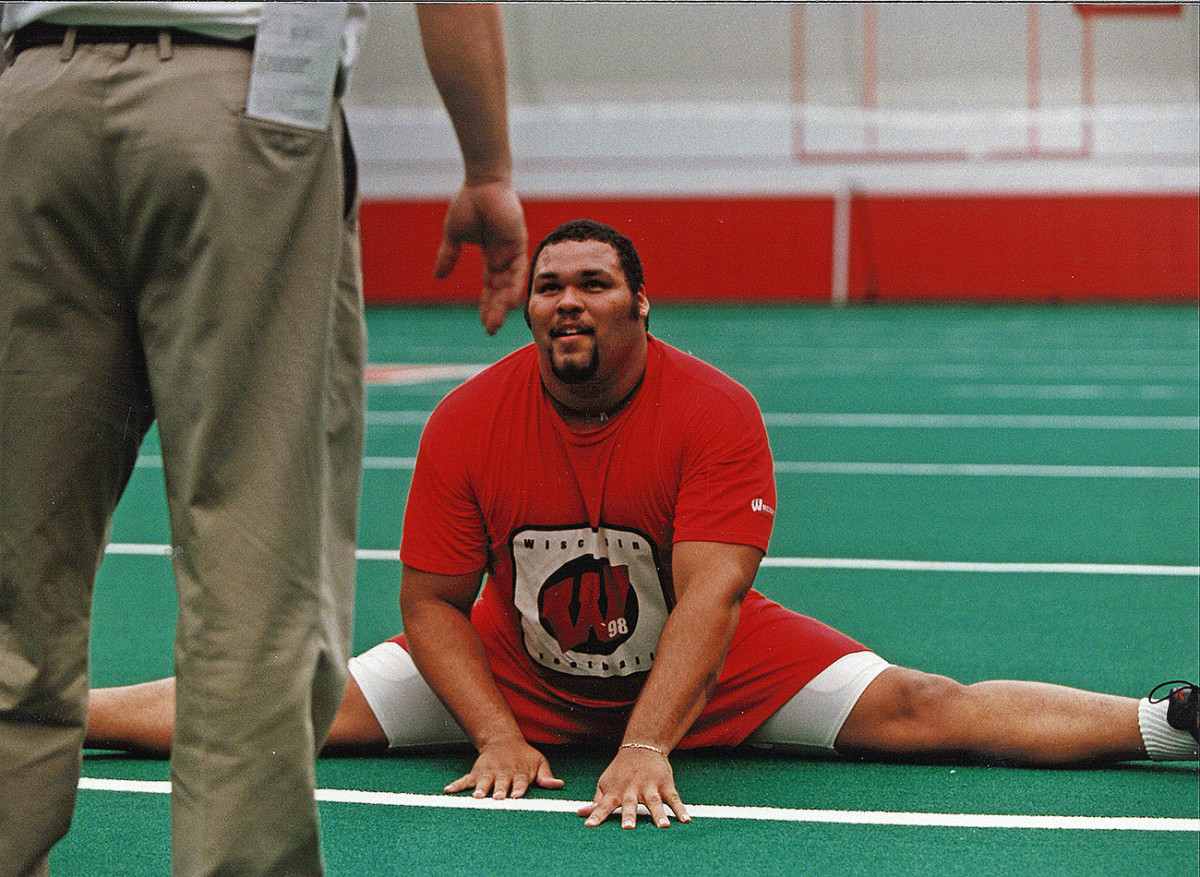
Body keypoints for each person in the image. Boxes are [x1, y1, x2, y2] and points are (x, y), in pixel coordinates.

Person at [84, 220, 1198, 833]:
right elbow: (428, 602)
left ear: (640, 303)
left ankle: (1168, 721)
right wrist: (495, 731)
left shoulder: (714, 410)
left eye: (595, 285)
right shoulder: (471, 418)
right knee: (278, 704)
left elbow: (711, 598)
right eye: (550, 288)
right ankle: (44, 706)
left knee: (926, 705)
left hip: (712, 664)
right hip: (516, 665)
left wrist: (648, 742)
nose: (567, 302)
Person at [0, 3, 526, 875]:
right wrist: (488, 166)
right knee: (256, 567)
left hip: (33, 92)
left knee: (15, 563)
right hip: (242, 91)